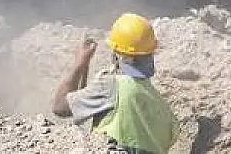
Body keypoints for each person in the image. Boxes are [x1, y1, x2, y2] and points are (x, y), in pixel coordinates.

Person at [51, 13, 179, 154]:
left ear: (117, 55)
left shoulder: (111, 86)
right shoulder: (163, 108)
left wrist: (79, 64)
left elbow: (60, 107)